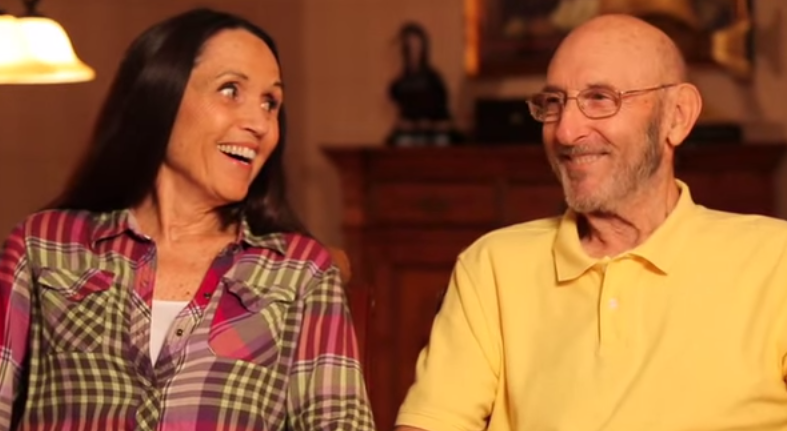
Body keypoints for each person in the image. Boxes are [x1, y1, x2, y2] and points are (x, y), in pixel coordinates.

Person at [395, 13, 787, 431]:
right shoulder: (491, 266)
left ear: (677, 116)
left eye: (600, 99)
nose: (565, 131)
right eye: (554, 103)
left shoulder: (774, 261)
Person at [0, 8, 374, 431]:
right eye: (231, 90)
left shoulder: (301, 272)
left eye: (270, 103)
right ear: (161, 96)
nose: (259, 124)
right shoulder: (44, 245)